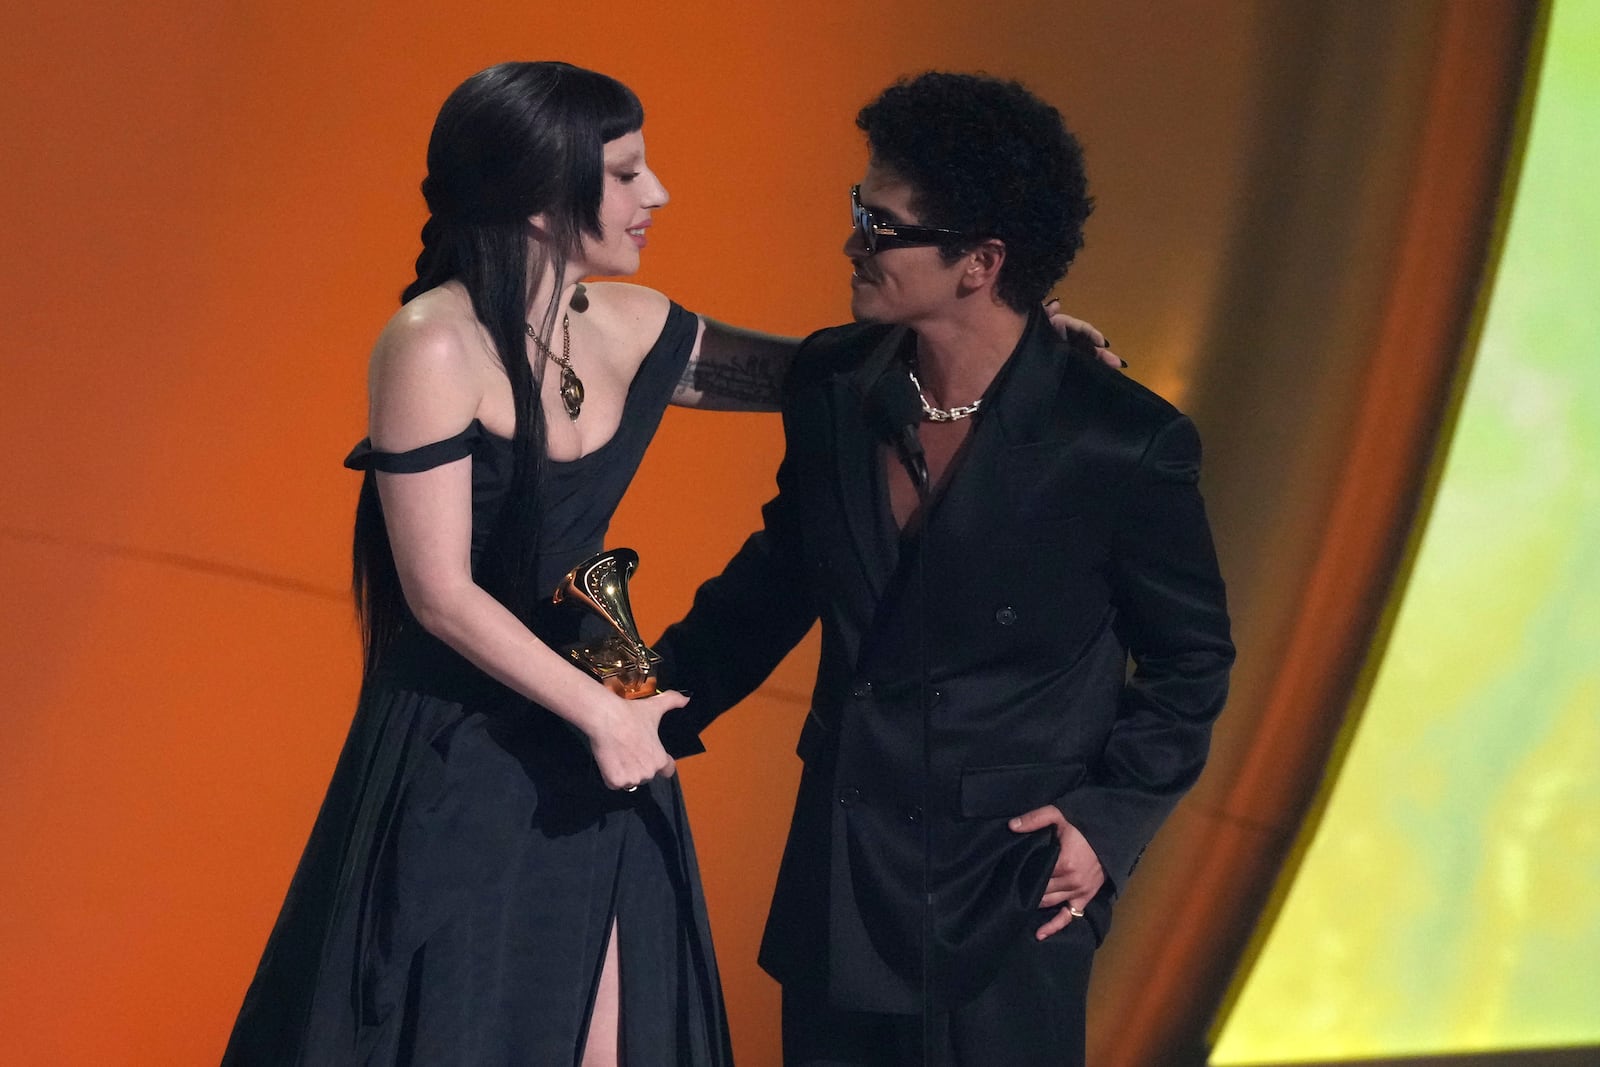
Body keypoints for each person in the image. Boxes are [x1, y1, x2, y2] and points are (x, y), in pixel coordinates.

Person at [222, 61, 1112, 1066]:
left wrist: (1010, 342)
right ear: (539, 191)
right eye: (627, 173)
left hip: (607, 729)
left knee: (617, 1022)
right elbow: (439, 594)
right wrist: (605, 714)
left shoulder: (635, 324)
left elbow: (832, 374)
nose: (658, 195)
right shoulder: (431, 345)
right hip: (472, 743)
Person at [654, 72, 1235, 1066]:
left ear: (980, 261)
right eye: (857, 212)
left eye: (879, 225)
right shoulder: (836, 385)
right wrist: (641, 702)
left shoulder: (1119, 443)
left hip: (1007, 892)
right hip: (842, 877)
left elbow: (1191, 668)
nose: (851, 242)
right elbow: (777, 581)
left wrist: (1102, 827)